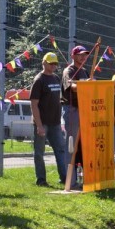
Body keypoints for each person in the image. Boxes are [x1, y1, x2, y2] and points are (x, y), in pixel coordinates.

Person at [30, 52, 67, 187]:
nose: (53, 66)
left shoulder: (56, 78)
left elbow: (59, 98)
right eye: (51, 63)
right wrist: (39, 125)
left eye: (55, 64)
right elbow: (34, 104)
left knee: (60, 150)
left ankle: (64, 177)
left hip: (55, 123)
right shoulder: (39, 80)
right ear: (44, 63)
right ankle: (41, 180)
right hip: (42, 123)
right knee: (39, 152)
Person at [61, 45, 89, 188]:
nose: (83, 57)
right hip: (72, 110)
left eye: (85, 55)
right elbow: (72, 86)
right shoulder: (69, 70)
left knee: (83, 147)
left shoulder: (85, 71)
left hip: (85, 110)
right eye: (80, 54)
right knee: (71, 146)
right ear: (73, 56)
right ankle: (70, 182)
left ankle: (83, 179)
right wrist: (86, 84)